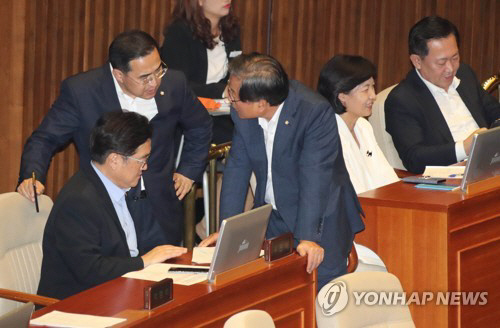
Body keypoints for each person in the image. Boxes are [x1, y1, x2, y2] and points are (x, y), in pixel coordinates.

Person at [16, 30, 212, 251]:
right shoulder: (82, 92)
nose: (154, 82)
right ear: (119, 75)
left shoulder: (174, 83)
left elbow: (200, 125)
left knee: (162, 279)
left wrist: (188, 169)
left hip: (159, 207)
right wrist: (32, 176)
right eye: (144, 77)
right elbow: (45, 138)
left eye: (158, 71)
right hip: (106, 208)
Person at [200, 53, 365, 290]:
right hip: (274, 216)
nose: (228, 99)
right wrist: (227, 231)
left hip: (320, 219)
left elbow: (315, 176)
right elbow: (237, 168)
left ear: (261, 104)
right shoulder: (243, 111)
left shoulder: (313, 112)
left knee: (322, 297)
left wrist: (308, 238)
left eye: (233, 96)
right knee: (273, 293)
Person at [37, 112, 187, 300]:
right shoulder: (79, 201)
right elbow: (91, 270)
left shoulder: (122, 185)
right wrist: (144, 261)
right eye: (142, 160)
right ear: (115, 160)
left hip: (118, 292)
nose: (145, 167)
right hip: (78, 305)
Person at [385, 16, 500, 174]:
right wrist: (465, 147)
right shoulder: (402, 100)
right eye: (441, 62)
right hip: (452, 180)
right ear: (417, 61)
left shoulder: (464, 75)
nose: (450, 69)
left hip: (491, 166)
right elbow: (414, 158)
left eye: (455, 58)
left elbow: (494, 112)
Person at [161, 0, 241, 144]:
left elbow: (236, 72)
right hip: (190, 114)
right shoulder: (179, 32)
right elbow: (177, 85)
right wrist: (222, 91)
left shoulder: (231, 29)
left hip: (224, 111)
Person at [317, 55, 399, 194]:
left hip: (378, 206)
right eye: (366, 90)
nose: (373, 96)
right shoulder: (326, 134)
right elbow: (349, 192)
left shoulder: (363, 126)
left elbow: (388, 179)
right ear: (342, 96)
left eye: (373, 87)